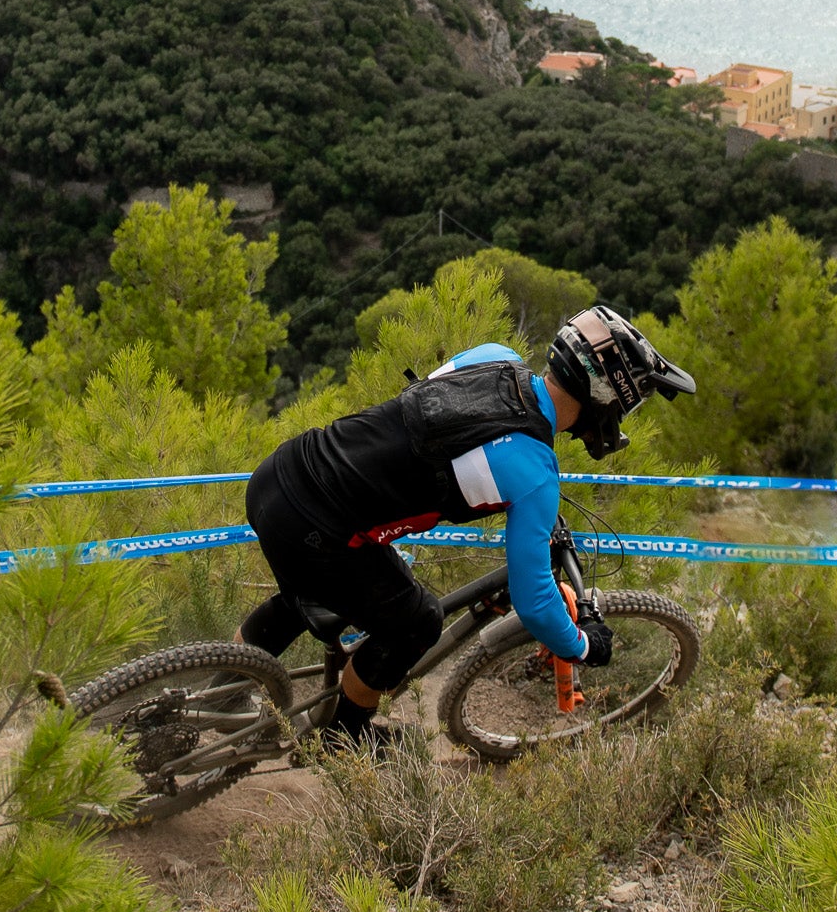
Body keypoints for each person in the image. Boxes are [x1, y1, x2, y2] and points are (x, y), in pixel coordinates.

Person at [237, 304, 697, 748]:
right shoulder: (534, 472)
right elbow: (535, 602)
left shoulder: (495, 357)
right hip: (317, 528)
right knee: (417, 622)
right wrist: (581, 646)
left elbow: (451, 436)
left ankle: (221, 690)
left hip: (282, 472)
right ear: (605, 398)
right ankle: (343, 737)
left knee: (314, 589)